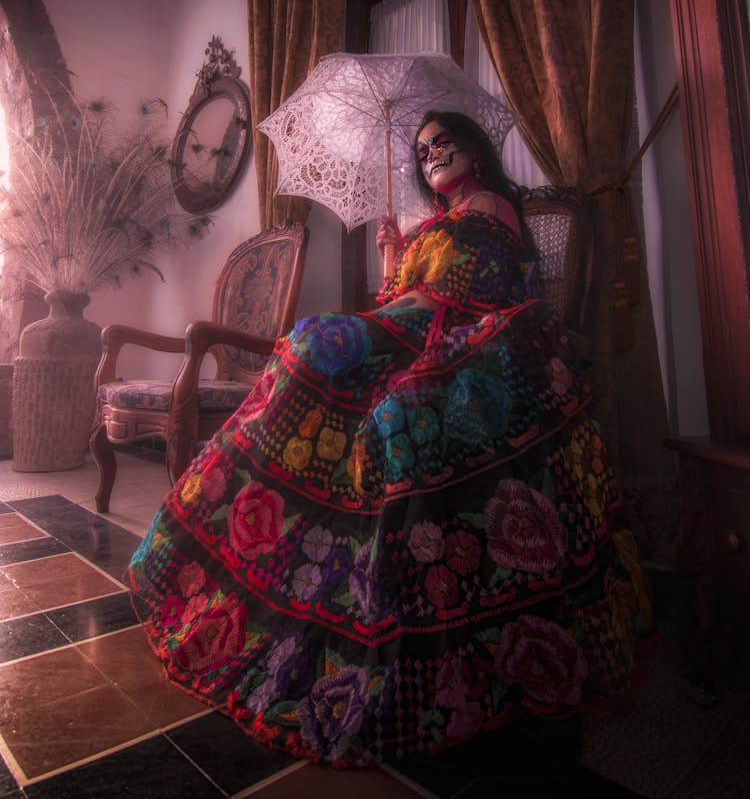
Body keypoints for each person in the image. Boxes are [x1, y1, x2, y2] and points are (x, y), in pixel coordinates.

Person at [126, 110, 653, 769]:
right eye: (422, 148)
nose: (430, 152)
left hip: (471, 344)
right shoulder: (433, 223)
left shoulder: (491, 208)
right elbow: (394, 299)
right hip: (407, 334)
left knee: (367, 391)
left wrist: (412, 288)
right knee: (310, 345)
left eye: (443, 141)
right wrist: (390, 257)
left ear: (476, 151)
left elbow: (477, 291)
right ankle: (228, 552)